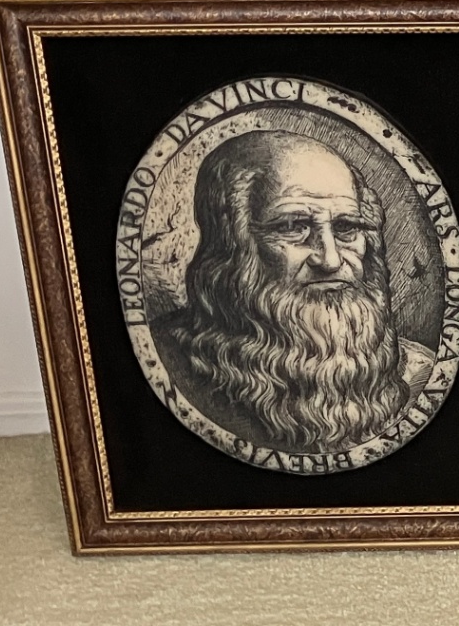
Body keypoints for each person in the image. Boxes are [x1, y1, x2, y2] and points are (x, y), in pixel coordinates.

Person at [151, 130, 431, 453]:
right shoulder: (165, 363)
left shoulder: (418, 373)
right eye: (293, 227)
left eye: (346, 228)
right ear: (232, 245)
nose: (330, 260)